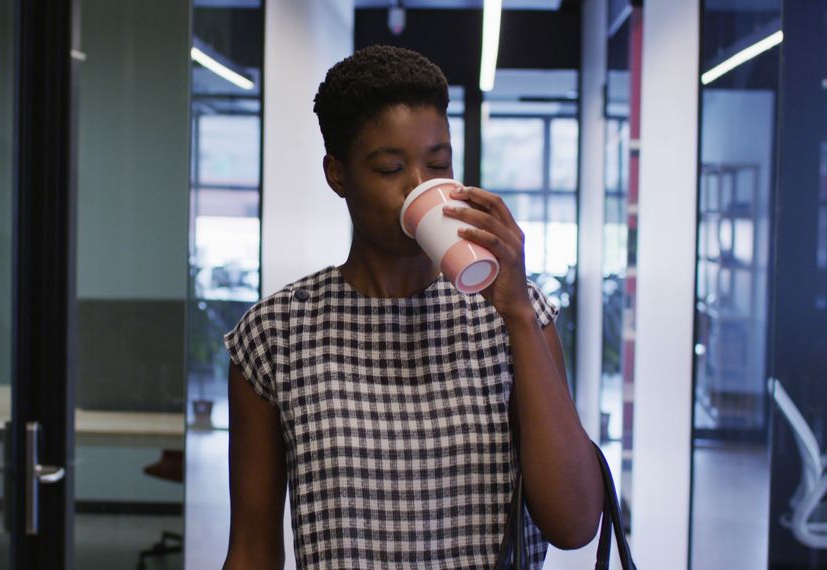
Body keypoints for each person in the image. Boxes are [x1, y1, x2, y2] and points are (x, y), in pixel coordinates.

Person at [222, 45, 602, 569]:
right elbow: (252, 548)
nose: (420, 187)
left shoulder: (516, 311)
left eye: (439, 163)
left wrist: (514, 310)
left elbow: (576, 524)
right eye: (389, 168)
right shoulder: (276, 335)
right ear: (338, 175)